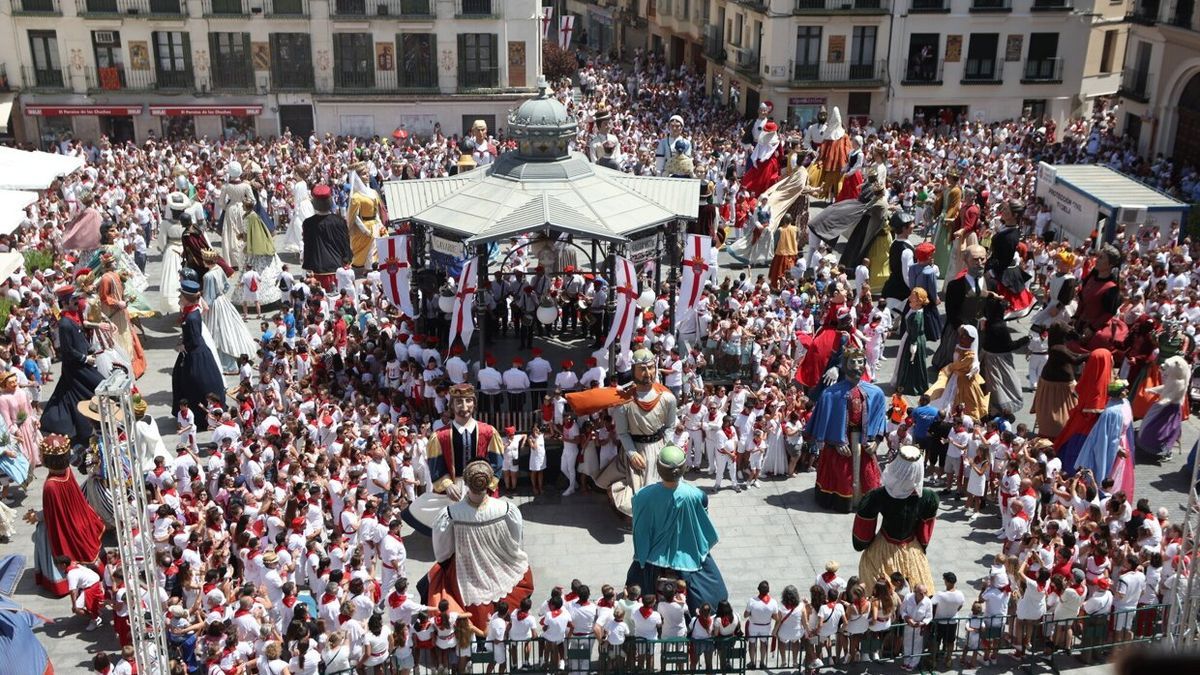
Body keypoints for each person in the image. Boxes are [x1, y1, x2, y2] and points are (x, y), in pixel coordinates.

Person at [422, 460, 534, 630]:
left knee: (434, 581)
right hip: (503, 566)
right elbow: (516, 542)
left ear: (466, 483)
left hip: (467, 571)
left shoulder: (451, 514)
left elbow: (442, 552)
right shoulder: (505, 509)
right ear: (490, 482)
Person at [568, 348, 678, 518]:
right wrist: (632, 453)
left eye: (650, 367)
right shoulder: (624, 402)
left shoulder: (667, 398)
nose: (647, 372)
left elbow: (670, 426)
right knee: (636, 492)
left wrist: (668, 447)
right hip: (635, 450)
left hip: (659, 449)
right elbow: (623, 433)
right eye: (642, 368)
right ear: (633, 371)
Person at [626, 445, 727, 613]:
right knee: (715, 593)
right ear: (683, 468)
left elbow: (639, 523)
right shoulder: (696, 494)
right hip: (688, 554)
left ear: (659, 468)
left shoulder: (643, 495)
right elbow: (702, 520)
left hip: (652, 556)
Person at [403, 383, 504, 535]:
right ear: (451, 406)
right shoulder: (440, 436)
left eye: (468, 400)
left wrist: (483, 485)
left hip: (480, 487)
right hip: (452, 489)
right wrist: (447, 485)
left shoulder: (488, 432)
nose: (464, 406)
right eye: (459, 401)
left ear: (474, 403)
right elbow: (436, 466)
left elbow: (496, 464)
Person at [806, 347, 886, 512]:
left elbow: (879, 420)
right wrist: (835, 441)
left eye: (860, 362)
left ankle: (866, 501)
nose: (857, 366)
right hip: (840, 444)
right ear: (844, 364)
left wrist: (876, 441)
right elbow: (824, 421)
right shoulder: (830, 394)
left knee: (867, 476)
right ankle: (840, 501)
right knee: (841, 475)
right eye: (853, 362)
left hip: (864, 443)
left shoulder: (876, 392)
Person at [852, 445, 939, 593]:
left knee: (876, 588)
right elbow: (924, 533)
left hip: (883, 546)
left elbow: (863, 532)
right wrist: (921, 546)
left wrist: (862, 543)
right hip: (911, 546)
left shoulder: (878, 496)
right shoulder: (928, 497)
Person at [28, 434, 105, 595]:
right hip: (79, 517)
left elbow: (52, 514)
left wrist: (36, 516)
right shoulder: (67, 471)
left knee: (42, 534)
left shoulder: (51, 485)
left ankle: (59, 583)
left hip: (64, 526)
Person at [39, 285, 104, 447]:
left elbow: (80, 340)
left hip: (81, 365)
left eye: (77, 299)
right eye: (74, 300)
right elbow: (67, 351)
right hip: (77, 368)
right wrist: (84, 358)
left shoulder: (73, 317)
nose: (78, 302)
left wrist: (90, 349)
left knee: (70, 396)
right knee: (98, 387)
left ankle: (64, 424)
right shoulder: (65, 324)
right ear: (66, 302)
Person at [171, 280, 226, 433]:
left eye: (181, 296)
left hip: (195, 355)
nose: (179, 298)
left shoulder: (191, 317)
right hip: (194, 353)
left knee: (193, 383)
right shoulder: (191, 312)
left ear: (187, 298)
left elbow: (194, 341)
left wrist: (182, 346)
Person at [1055, 347, 1114, 474]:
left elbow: (1079, 390)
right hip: (1090, 429)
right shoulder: (1104, 383)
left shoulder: (1090, 374)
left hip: (1077, 422)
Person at [931, 244, 989, 371]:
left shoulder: (991, 283)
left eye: (982, 259)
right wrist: (960, 327)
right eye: (975, 259)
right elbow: (951, 311)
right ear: (965, 260)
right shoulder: (955, 285)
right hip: (960, 330)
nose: (979, 263)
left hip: (982, 329)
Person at [1075, 380, 1136, 499]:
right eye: (1124, 389)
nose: (1127, 391)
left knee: (1121, 473)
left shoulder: (1126, 403)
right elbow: (1105, 438)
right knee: (1114, 473)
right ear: (1118, 393)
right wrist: (1117, 448)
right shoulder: (1111, 412)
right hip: (1113, 449)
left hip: (1124, 443)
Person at [95, 254, 146, 379]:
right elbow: (104, 297)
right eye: (112, 262)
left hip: (121, 312)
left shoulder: (116, 275)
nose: (115, 263)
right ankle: (122, 364)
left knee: (127, 336)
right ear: (108, 264)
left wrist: (125, 299)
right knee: (117, 338)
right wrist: (117, 303)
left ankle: (130, 364)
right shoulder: (106, 278)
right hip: (113, 313)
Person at [926, 326, 989, 421]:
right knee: (948, 393)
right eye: (961, 335)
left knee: (963, 399)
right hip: (955, 376)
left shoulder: (970, 355)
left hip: (964, 381)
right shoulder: (958, 347)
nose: (961, 338)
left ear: (972, 339)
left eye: (965, 336)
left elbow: (964, 364)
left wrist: (973, 368)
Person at [302, 184, 353, 291]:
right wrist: (347, 259)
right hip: (337, 267)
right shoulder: (339, 221)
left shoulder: (308, 223)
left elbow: (308, 247)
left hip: (317, 269)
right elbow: (345, 243)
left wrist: (307, 265)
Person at [894, 288, 931, 396]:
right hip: (910, 337)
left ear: (919, 301)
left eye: (913, 297)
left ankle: (912, 386)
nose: (910, 298)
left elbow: (915, 331)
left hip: (913, 340)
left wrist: (913, 344)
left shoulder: (917, 316)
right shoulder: (914, 310)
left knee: (912, 363)